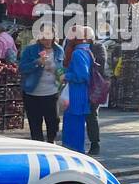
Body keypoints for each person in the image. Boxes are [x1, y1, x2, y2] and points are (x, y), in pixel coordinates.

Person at [19, 23, 62, 143]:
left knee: (53, 122)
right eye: (43, 35)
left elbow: (62, 70)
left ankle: (51, 143)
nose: (46, 39)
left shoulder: (58, 51)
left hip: (52, 92)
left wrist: (57, 71)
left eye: (49, 35)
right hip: (32, 93)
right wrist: (36, 62)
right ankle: (38, 146)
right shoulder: (31, 50)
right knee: (35, 124)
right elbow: (22, 68)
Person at [61, 25, 94, 154]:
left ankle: (74, 153)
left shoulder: (78, 53)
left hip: (76, 95)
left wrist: (66, 75)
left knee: (73, 127)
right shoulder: (86, 50)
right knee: (77, 126)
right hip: (80, 94)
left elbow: (82, 75)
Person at [83, 26, 108, 156]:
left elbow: (101, 64)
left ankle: (95, 143)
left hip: (94, 86)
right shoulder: (75, 47)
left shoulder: (98, 47)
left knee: (91, 115)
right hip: (82, 85)